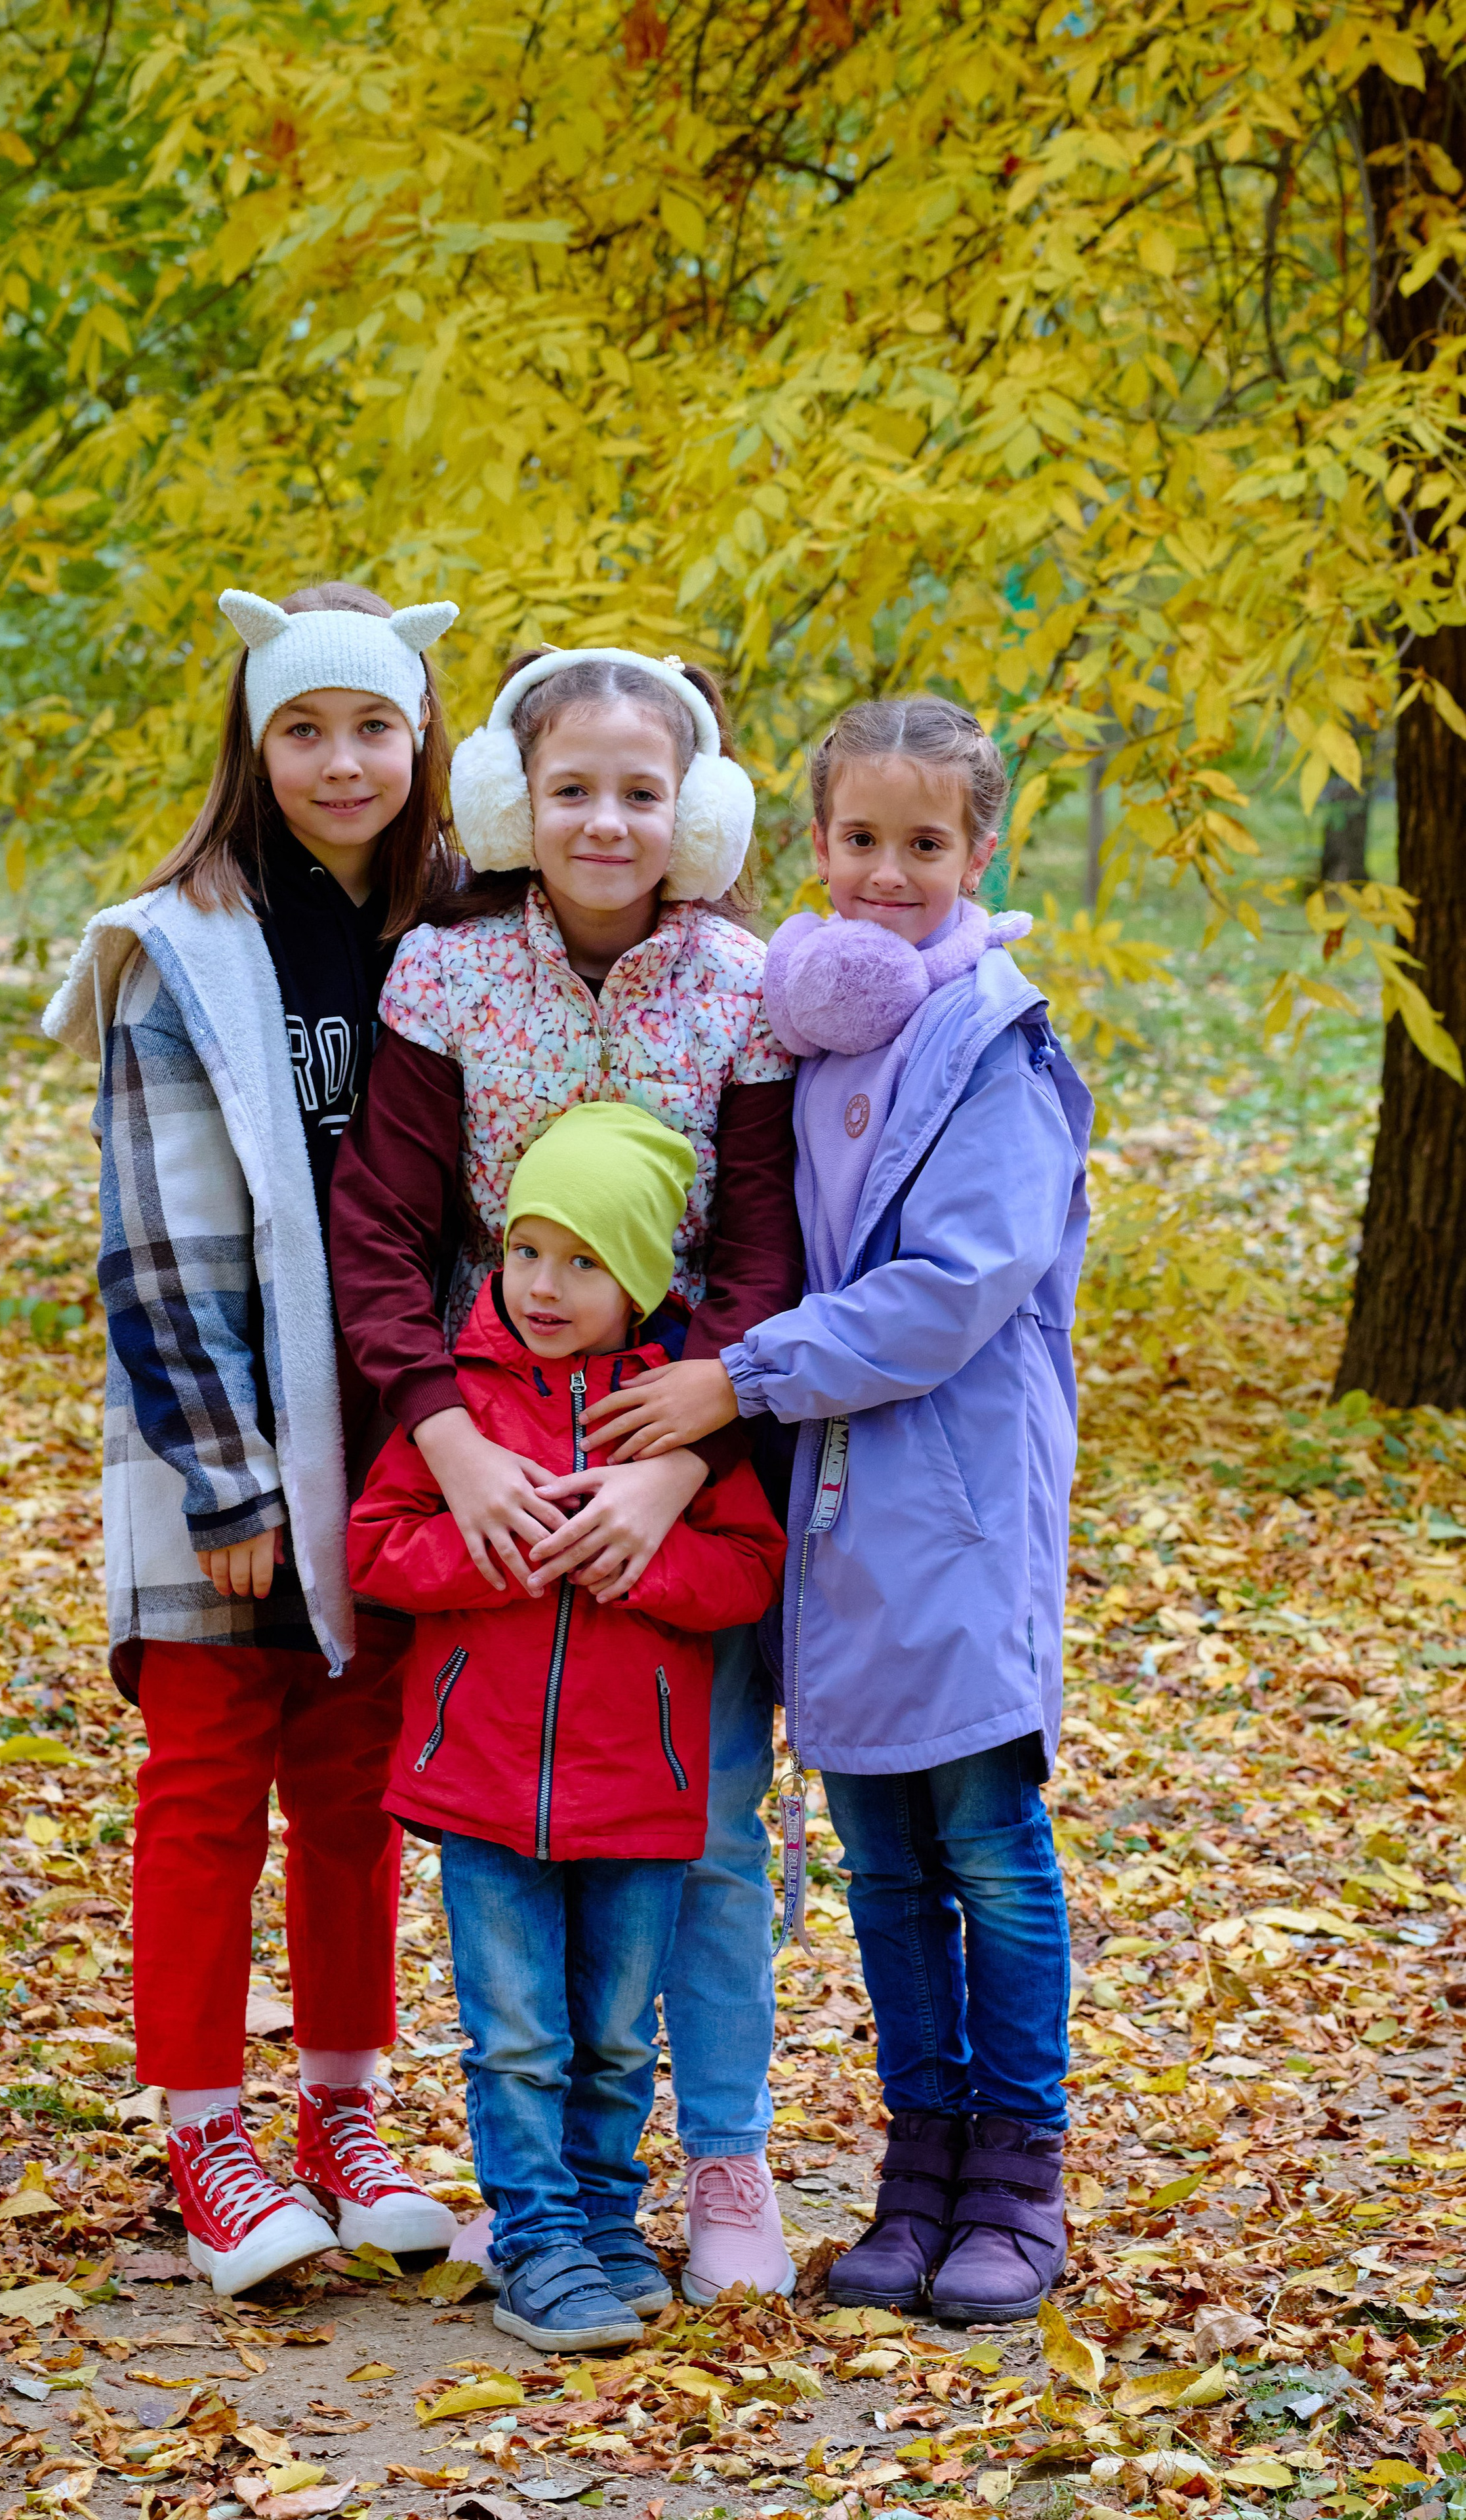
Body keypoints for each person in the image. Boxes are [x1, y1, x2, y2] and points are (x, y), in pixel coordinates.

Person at [582, 695, 1093, 2324]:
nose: (884, 875)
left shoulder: (992, 1049)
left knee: (988, 1851)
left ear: (976, 853)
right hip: (835, 1512)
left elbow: (950, 1290)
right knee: (878, 1856)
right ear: (813, 846)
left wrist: (736, 1380)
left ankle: (1014, 2174)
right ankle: (913, 2171)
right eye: (857, 841)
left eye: (921, 846)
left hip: (953, 1501)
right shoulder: (811, 1031)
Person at [330, 646, 805, 2302]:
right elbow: (382, 1230)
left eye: (640, 791)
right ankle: (539, 2191)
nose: (605, 820)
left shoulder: (746, 982)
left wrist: (689, 1450)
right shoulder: (445, 977)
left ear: (698, 813)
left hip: (689, 1422)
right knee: (508, 1834)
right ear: (507, 806)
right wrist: (443, 1437)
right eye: (569, 788)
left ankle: (723, 2156)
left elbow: (757, 1237)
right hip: (491, 1424)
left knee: (711, 1825)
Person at [43, 582, 462, 2294]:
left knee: (354, 1795)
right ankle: (205, 2130)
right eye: (304, 727)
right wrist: (225, 1474)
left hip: (392, 1447)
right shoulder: (181, 949)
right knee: (210, 1784)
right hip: (215, 1439)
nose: (342, 759)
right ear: (255, 741)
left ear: (422, 739)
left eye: (374, 725)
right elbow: (154, 1243)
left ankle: (342, 2116)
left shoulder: (451, 934)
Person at [349, 1102, 786, 2348]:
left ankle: (600, 2217)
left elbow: (747, 1566)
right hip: (484, 1785)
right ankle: (534, 2237)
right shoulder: (462, 1404)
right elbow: (377, 1548)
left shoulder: (670, 1415)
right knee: (521, 2029)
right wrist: (498, 1551)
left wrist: (638, 1561)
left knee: (611, 2027)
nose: (546, 1284)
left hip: (641, 1788)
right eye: (528, 1248)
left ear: (642, 1276)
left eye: (586, 1259)